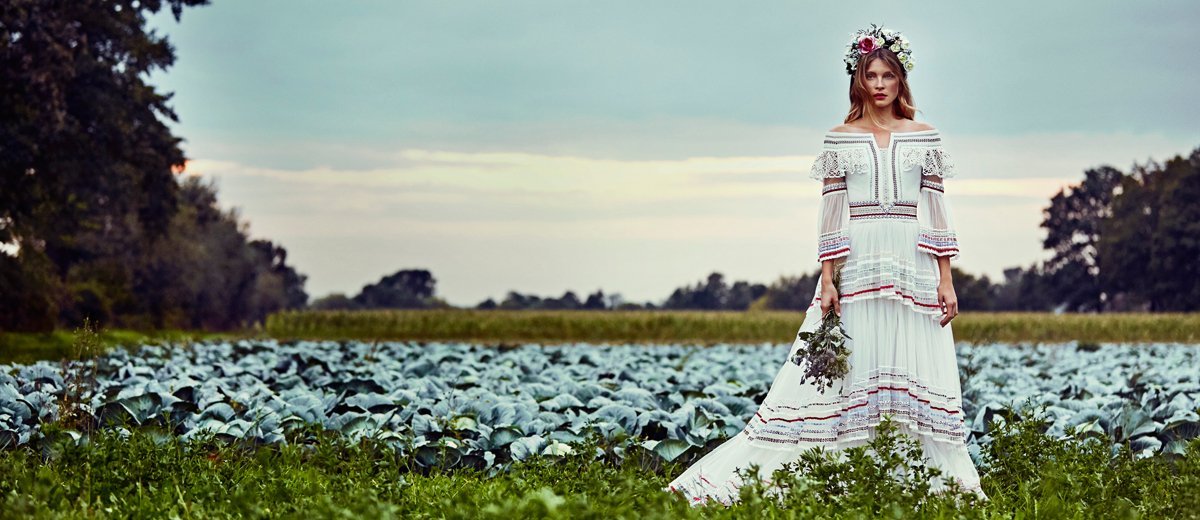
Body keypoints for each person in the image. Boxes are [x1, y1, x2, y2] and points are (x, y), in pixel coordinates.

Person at [667, 24, 984, 504]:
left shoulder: (925, 136)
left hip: (911, 262)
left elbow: (937, 207)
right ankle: (836, 477)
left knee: (907, 367)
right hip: (857, 261)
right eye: (871, 76)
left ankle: (913, 483)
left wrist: (946, 278)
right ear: (859, 81)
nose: (879, 85)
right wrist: (827, 279)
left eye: (888, 76)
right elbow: (831, 214)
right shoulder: (840, 139)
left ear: (901, 81)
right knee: (846, 371)